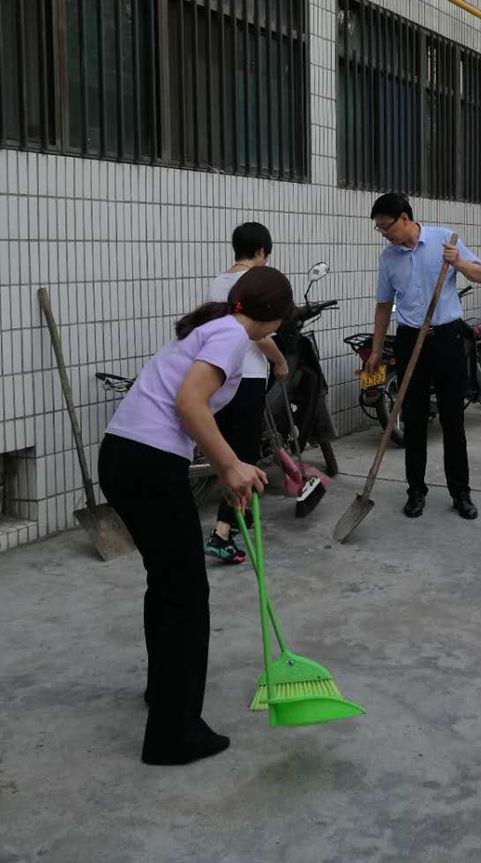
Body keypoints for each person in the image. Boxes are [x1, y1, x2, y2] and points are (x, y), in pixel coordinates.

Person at [98, 267, 294, 765]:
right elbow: (189, 403)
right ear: (275, 318)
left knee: (167, 583)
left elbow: (190, 407)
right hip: (148, 464)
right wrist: (229, 465)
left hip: (124, 456)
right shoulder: (230, 336)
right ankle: (174, 733)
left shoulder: (214, 326)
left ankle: (162, 694)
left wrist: (230, 466)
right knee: (186, 594)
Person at [365, 193, 481, 520]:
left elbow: (480, 274)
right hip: (409, 339)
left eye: (386, 226)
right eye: (379, 228)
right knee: (414, 419)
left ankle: (460, 492)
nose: (383, 233)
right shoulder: (388, 258)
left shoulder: (443, 240)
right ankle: (415, 491)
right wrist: (376, 349)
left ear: (404, 218)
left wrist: (458, 262)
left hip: (446, 337)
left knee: (452, 419)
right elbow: (383, 306)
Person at [204, 222, 289, 565]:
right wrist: (280, 360)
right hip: (248, 377)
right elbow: (258, 335)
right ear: (260, 251)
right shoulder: (252, 283)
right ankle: (222, 532)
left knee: (230, 451)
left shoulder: (218, 282)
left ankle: (244, 513)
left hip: (220, 378)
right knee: (243, 456)